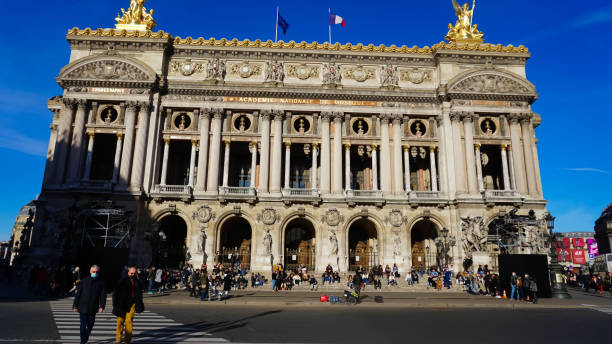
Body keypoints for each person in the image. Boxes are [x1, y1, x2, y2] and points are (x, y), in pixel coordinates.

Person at [73, 265, 106, 344]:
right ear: (90, 272)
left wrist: (101, 306)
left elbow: (103, 296)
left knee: (91, 324)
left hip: (93, 307)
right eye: (93, 272)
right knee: (83, 325)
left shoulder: (101, 283)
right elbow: (78, 294)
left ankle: (86, 336)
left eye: (97, 272)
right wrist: (75, 305)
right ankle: (82, 341)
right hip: (82, 306)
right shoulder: (84, 281)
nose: (95, 273)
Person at [113, 267, 144, 344]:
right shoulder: (122, 281)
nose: (132, 275)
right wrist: (115, 304)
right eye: (131, 273)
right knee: (120, 321)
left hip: (132, 304)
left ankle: (127, 340)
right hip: (121, 304)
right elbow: (115, 294)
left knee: (128, 321)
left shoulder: (138, 281)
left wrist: (138, 278)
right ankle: (118, 338)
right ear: (128, 273)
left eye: (134, 273)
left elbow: (141, 289)